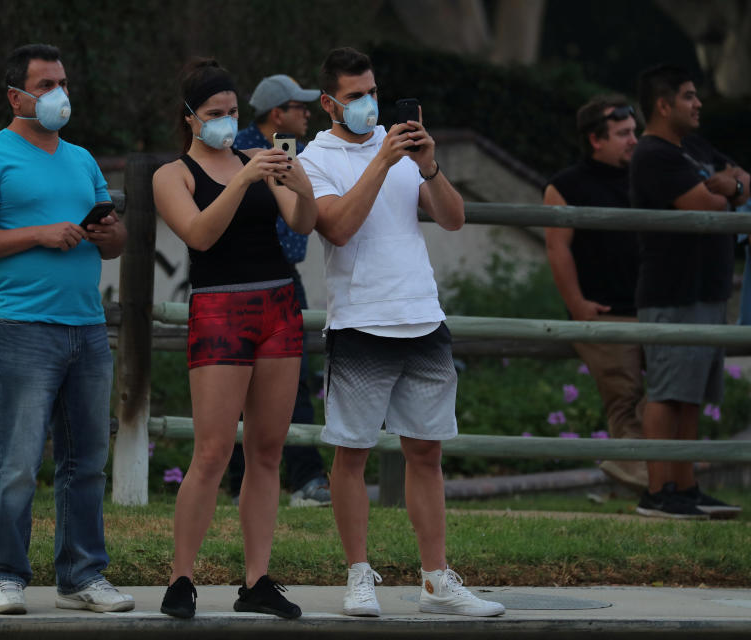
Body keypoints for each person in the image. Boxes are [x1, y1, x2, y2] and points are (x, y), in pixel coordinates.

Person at [298, 47, 505, 618]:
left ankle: (437, 578)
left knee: (426, 453)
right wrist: (382, 163)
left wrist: (430, 165)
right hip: (361, 321)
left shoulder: (404, 146)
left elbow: (454, 218)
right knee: (352, 454)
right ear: (329, 102)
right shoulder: (316, 158)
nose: (369, 104)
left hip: (422, 316)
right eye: (356, 95)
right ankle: (358, 575)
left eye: (373, 92)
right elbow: (336, 227)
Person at [0, 44, 133, 615]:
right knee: (18, 462)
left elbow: (115, 236)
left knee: (87, 463)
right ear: (17, 96)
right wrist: (39, 234)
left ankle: (82, 575)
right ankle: (3, 574)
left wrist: (111, 236)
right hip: (22, 328)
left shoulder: (82, 159)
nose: (59, 94)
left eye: (61, 81)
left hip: (87, 328)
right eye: (45, 84)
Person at [152, 58, 317, 619]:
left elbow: (301, 223)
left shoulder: (258, 158)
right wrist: (243, 178)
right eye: (215, 114)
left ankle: (257, 580)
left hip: (277, 304)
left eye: (233, 112)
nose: (227, 122)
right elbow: (199, 234)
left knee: (267, 450)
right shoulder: (172, 174)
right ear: (191, 117)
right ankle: (181, 578)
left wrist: (301, 185)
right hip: (220, 307)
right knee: (214, 450)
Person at [630, 64, 747, 519]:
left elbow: (741, 180)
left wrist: (732, 185)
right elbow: (706, 204)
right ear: (663, 105)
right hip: (672, 291)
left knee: (691, 394)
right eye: (689, 96)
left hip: (708, 288)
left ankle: (688, 487)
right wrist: (728, 190)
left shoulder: (695, 146)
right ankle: (659, 493)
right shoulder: (653, 154)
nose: (698, 104)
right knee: (666, 392)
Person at [229, 73, 331, 508]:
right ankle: (239, 482)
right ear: (277, 114)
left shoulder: (304, 152)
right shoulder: (234, 152)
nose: (307, 113)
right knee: (234, 384)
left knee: (296, 379)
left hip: (286, 274)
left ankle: (305, 478)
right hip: (240, 276)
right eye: (299, 107)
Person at [544, 95, 648, 490]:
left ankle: (661, 480)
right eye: (623, 133)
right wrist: (577, 306)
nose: (634, 140)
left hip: (654, 308)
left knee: (670, 393)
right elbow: (558, 248)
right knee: (625, 396)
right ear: (595, 139)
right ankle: (651, 483)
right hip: (604, 312)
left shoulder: (645, 176)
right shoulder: (565, 185)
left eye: (634, 131)